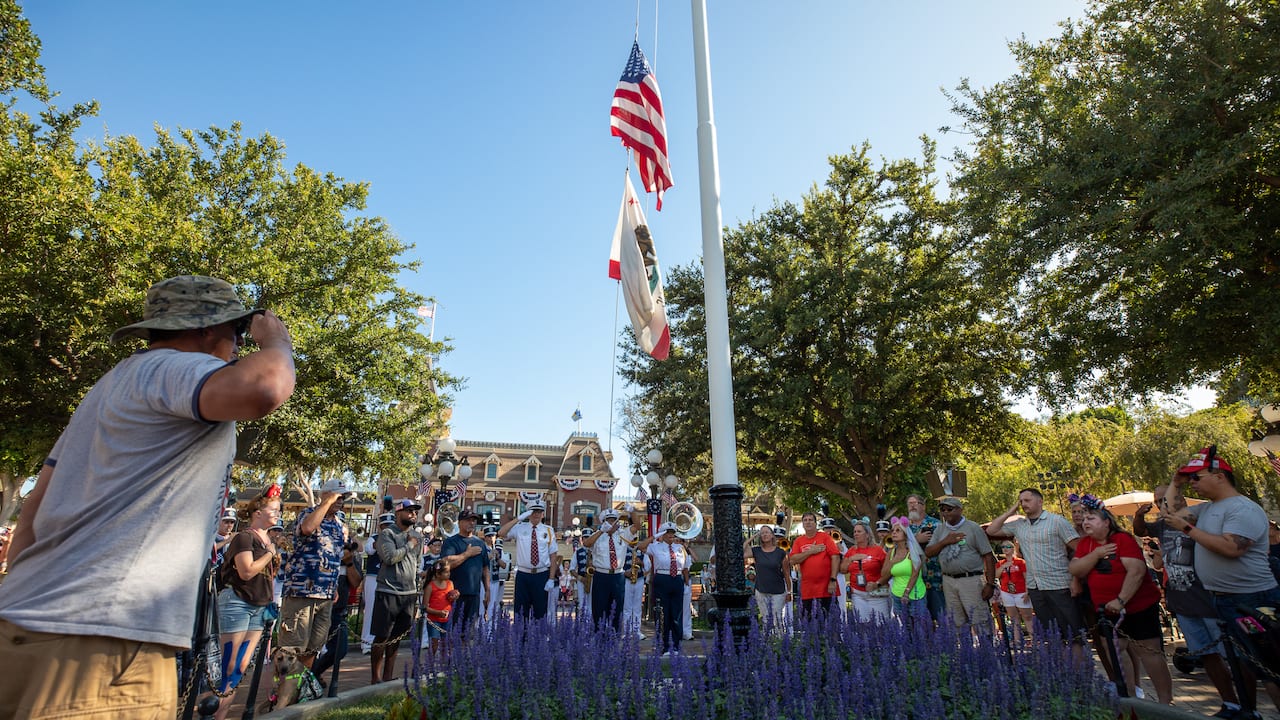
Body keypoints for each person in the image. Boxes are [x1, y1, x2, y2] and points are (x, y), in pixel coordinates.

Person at [0, 275, 295, 718]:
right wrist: (276, 343)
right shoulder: (176, 368)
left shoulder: (109, 386)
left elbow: (35, 507)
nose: (238, 347)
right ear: (206, 329)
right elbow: (265, 388)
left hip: (25, 623)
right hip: (104, 646)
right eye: (236, 333)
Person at [1164, 446, 1280, 716]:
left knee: (1270, 668)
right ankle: (1246, 710)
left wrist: (1189, 530)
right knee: (1240, 661)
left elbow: (1231, 548)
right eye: (1190, 479)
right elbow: (1170, 516)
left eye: (1197, 477)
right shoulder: (1206, 509)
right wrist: (1175, 482)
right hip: (1222, 597)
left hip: (1253, 599)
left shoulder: (1243, 508)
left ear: (1219, 476)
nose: (1193, 484)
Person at [1134, 483, 1241, 716]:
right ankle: (1230, 702)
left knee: (1233, 655)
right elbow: (1141, 531)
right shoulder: (1163, 525)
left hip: (1210, 598)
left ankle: (1248, 704)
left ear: (1181, 498)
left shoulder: (1201, 520)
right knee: (1207, 655)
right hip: (1183, 600)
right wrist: (1139, 516)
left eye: (1166, 499)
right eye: (1158, 501)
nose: (1162, 504)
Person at [1069, 494, 1172, 704]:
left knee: (1149, 652)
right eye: (1084, 518)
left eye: (1091, 518)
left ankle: (1165, 703)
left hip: (1138, 606)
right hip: (1105, 611)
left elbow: (1136, 571)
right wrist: (1097, 554)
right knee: (1115, 651)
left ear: (1106, 522)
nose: (1085, 521)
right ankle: (1131, 698)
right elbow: (1076, 569)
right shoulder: (1085, 544)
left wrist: (1121, 600)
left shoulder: (1122, 539)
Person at [206, 486, 284, 720]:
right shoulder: (244, 537)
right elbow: (246, 571)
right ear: (258, 511)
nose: (277, 513)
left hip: (258, 607)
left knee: (240, 668)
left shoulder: (266, 540)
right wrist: (270, 554)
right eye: (273, 509)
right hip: (237, 603)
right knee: (228, 665)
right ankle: (211, 713)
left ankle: (221, 714)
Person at [987, 488, 1084, 645]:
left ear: (1040, 501)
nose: (1023, 504)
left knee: (1073, 634)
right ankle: (1061, 667)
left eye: (1027, 500)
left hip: (1059, 584)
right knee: (1052, 635)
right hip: (1036, 587)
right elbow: (992, 529)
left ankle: (1081, 668)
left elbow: (1080, 550)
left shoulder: (1057, 521)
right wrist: (1011, 511)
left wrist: (1076, 579)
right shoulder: (1019, 525)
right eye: (1021, 501)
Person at [280, 478, 353, 670]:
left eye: (343, 497)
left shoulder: (338, 524)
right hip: (302, 591)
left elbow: (335, 557)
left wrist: (334, 585)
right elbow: (307, 528)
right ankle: (280, 695)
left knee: (314, 647)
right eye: (338, 496)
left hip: (325, 594)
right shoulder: (309, 513)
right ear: (325, 495)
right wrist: (326, 502)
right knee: (292, 647)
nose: (340, 500)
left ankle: (300, 690)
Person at [370, 499, 424, 684]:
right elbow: (390, 557)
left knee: (396, 638)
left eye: (415, 512)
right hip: (388, 591)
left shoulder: (418, 536)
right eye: (409, 511)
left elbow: (416, 562)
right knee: (382, 636)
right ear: (398, 513)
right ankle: (375, 678)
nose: (413, 515)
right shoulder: (387, 533)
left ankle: (388, 676)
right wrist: (409, 545)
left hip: (408, 594)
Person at [925, 496, 996, 636]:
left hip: (971, 579)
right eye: (943, 510)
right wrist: (945, 541)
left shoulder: (973, 528)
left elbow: (988, 556)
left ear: (959, 510)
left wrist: (990, 584)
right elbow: (928, 552)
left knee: (979, 620)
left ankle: (988, 654)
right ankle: (965, 654)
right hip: (948, 581)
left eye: (949, 509)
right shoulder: (940, 529)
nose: (946, 513)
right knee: (957, 623)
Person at [583, 506, 642, 631]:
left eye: (614, 520)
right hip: (601, 575)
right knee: (599, 609)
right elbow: (586, 544)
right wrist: (601, 531)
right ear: (603, 522)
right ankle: (599, 640)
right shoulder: (598, 536)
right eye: (608, 520)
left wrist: (632, 511)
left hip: (618, 576)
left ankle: (614, 639)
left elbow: (637, 526)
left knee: (617, 610)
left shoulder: (622, 535)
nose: (611, 523)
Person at [499, 499, 559, 619]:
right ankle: (520, 637)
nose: (536, 514)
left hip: (541, 574)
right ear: (528, 513)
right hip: (523, 575)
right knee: (520, 612)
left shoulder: (548, 530)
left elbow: (553, 556)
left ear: (543, 514)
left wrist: (551, 578)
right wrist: (518, 519)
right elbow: (501, 533)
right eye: (533, 511)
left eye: (539, 511)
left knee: (541, 612)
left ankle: (538, 637)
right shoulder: (520, 528)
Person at [639, 522, 688, 656]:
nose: (671, 535)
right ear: (663, 534)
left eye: (672, 533)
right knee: (662, 613)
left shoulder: (680, 547)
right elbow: (641, 546)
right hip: (662, 578)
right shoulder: (655, 546)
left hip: (676, 579)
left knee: (676, 613)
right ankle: (664, 645)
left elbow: (685, 566)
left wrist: (686, 581)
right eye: (668, 533)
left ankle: (676, 646)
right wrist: (655, 536)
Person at [440, 509, 488, 639]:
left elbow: (485, 568)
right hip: (454, 594)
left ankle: (463, 658)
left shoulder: (480, 543)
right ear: (460, 522)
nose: (471, 523)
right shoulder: (451, 542)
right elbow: (446, 563)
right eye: (468, 520)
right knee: (452, 631)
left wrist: (487, 590)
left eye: (474, 520)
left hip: (474, 594)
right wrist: (467, 554)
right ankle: (450, 658)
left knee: (469, 633)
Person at [788, 511, 842, 618]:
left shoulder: (825, 538)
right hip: (808, 591)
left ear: (815, 523)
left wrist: (833, 580)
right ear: (802, 523)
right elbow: (793, 560)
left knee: (831, 623)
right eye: (805, 520)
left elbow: (835, 557)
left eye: (811, 520)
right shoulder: (799, 541)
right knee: (810, 625)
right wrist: (810, 551)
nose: (808, 523)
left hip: (826, 589)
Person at [906, 494, 946, 623]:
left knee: (941, 618)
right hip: (915, 582)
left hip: (935, 580)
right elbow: (899, 551)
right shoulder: (906, 529)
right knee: (919, 622)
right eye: (909, 504)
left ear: (923, 506)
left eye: (915, 503)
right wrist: (916, 541)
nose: (912, 506)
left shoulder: (936, 524)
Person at [360, 513, 396, 653]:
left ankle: (383, 642)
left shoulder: (396, 538)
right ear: (380, 526)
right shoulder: (373, 538)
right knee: (370, 609)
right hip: (373, 577)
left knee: (387, 612)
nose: (388, 528)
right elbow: (369, 550)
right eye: (385, 526)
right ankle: (367, 643)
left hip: (389, 578)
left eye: (390, 526)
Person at [745, 525, 792, 628]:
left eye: (767, 532)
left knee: (777, 619)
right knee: (766, 619)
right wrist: (752, 538)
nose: (764, 534)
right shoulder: (756, 551)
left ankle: (779, 642)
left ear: (772, 535)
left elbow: (786, 573)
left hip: (778, 591)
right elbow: (740, 552)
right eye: (762, 533)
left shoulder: (780, 552)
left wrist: (789, 591)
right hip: (761, 590)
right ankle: (768, 642)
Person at [843, 520, 890, 621]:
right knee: (862, 625)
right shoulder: (851, 551)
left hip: (876, 593)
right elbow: (842, 570)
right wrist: (850, 559)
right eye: (855, 532)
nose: (856, 534)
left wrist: (877, 583)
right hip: (857, 594)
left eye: (859, 531)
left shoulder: (878, 550)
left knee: (881, 624)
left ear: (867, 535)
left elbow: (887, 572)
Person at [885, 518, 928, 620]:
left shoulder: (913, 551)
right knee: (903, 628)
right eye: (893, 531)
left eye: (898, 530)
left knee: (918, 627)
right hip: (896, 595)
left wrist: (906, 593)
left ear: (905, 534)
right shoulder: (891, 553)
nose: (894, 533)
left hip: (914, 596)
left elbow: (915, 573)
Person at [994, 542, 1034, 645]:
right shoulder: (1000, 563)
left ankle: (1033, 639)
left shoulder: (1021, 562)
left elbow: (1027, 577)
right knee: (1013, 617)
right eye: (1003, 547)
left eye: (1008, 546)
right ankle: (1017, 641)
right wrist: (1003, 566)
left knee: (1027, 616)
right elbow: (997, 576)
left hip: (1020, 591)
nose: (1005, 549)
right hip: (1007, 592)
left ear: (1013, 548)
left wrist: (1027, 592)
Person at [422, 559, 458, 654]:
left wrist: (454, 596)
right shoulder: (430, 586)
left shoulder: (450, 584)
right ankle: (432, 664)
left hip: (447, 619)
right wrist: (438, 613)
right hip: (434, 620)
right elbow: (424, 607)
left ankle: (445, 664)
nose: (449, 574)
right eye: (446, 572)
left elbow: (451, 600)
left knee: (446, 644)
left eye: (449, 571)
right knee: (434, 644)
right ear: (438, 574)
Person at [483, 526, 509, 625]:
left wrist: (497, 557)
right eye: (489, 536)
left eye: (493, 536)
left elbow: (504, 565)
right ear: (485, 537)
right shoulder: (483, 548)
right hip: (484, 581)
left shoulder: (498, 549)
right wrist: (490, 556)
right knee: (482, 605)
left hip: (495, 580)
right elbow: (482, 563)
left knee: (493, 605)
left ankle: (490, 629)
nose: (491, 538)